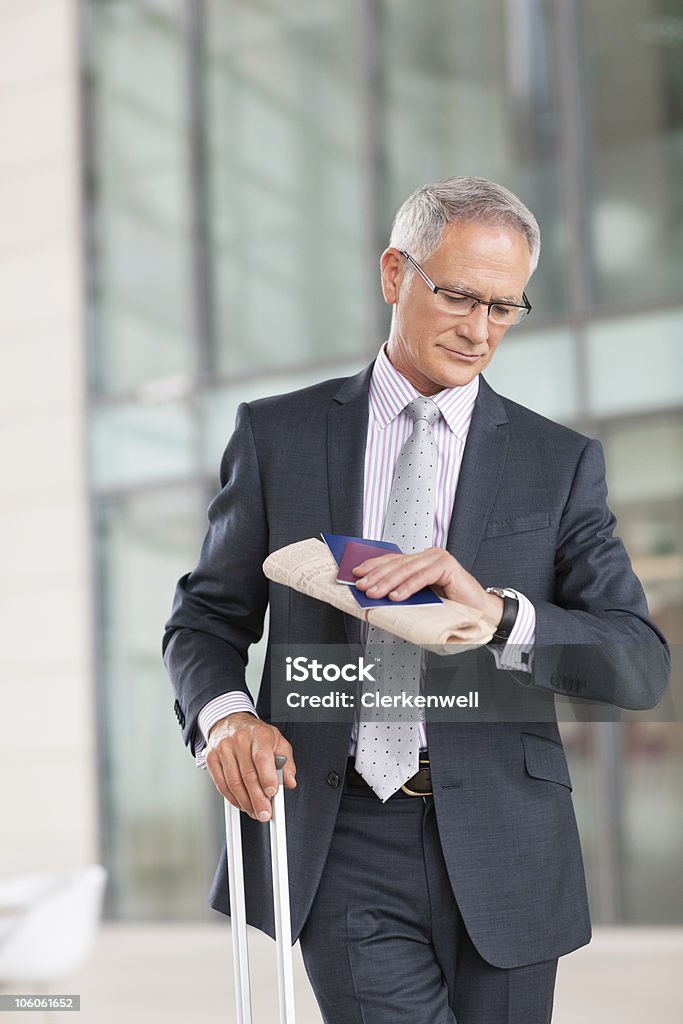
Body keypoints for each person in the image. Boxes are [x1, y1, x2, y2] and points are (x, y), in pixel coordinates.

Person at [162, 177, 669, 1024]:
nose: (479, 331)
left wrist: (500, 614)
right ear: (395, 273)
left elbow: (638, 664)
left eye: (504, 308)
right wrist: (225, 716)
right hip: (343, 831)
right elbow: (205, 617)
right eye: (460, 296)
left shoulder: (558, 462)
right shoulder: (276, 436)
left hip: (508, 839)